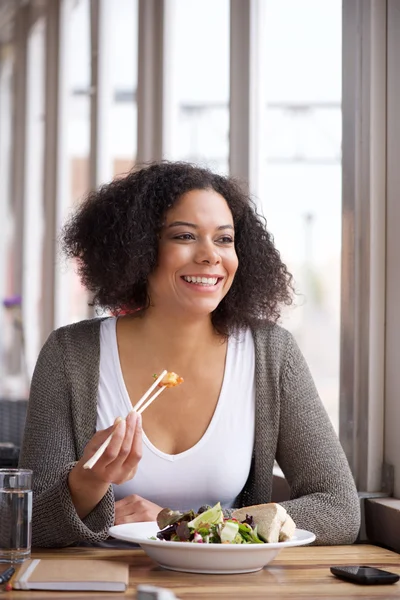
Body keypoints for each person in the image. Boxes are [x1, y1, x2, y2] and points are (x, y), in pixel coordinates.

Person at [19, 161, 360, 548]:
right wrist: (88, 482)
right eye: (184, 236)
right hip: (108, 585)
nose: (210, 255)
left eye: (224, 239)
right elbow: (24, 523)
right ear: (140, 249)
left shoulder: (271, 354)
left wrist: (183, 524)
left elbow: (339, 510)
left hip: (224, 587)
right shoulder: (70, 355)